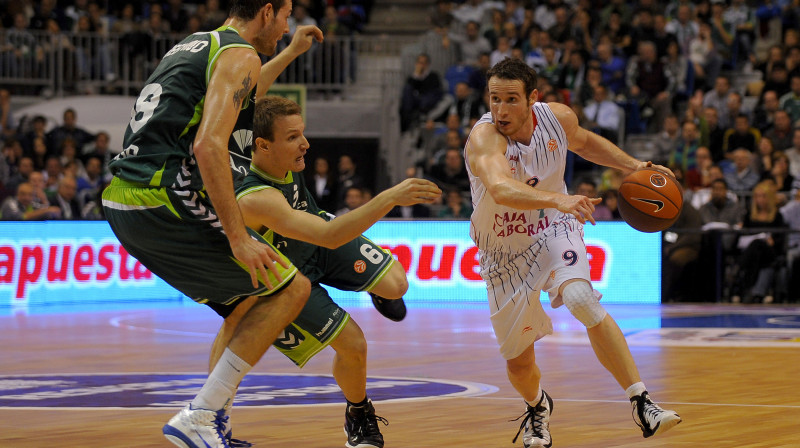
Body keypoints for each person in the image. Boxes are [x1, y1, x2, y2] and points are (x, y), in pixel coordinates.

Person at [101, 2, 324, 447]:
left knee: (245, 304)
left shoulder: (201, 44)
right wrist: (238, 238)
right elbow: (208, 146)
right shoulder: (240, 53)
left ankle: (210, 421)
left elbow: (246, 90)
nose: (286, 27)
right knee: (291, 287)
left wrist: (291, 54)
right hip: (160, 195)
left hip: (126, 197)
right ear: (266, 11)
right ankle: (200, 415)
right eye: (285, 17)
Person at [464, 58, 681, 448]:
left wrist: (634, 165)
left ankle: (642, 402)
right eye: (494, 99)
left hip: (552, 228)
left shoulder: (557, 118)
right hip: (502, 252)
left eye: (511, 100)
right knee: (519, 363)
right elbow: (499, 188)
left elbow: (584, 141)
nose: (501, 110)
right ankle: (537, 406)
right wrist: (558, 198)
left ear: (533, 99)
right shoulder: (484, 138)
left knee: (582, 298)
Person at [235, 96, 440, 447]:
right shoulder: (254, 197)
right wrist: (389, 197)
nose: (306, 144)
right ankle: (358, 412)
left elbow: (250, 88)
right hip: (287, 278)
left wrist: (294, 50)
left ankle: (375, 286)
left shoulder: (281, 157)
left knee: (397, 284)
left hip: (316, 236)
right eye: (293, 137)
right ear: (263, 146)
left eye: (303, 133)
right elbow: (332, 236)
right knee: (355, 346)